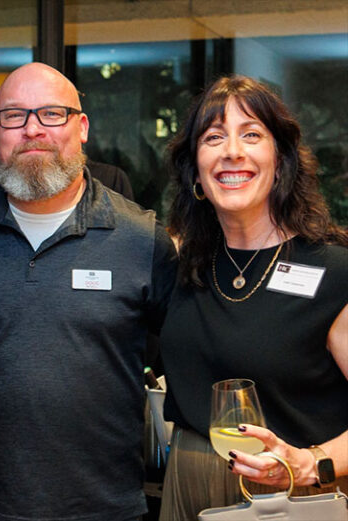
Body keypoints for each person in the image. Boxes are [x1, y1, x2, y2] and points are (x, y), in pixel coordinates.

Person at [0, 62, 175, 521]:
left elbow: (187, 359)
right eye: (15, 115)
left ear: (82, 127)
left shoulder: (141, 239)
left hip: (109, 508)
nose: (33, 130)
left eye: (52, 114)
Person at [159, 75, 348, 520]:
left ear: (280, 162)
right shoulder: (182, 264)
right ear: (196, 173)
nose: (232, 152)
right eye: (213, 137)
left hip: (288, 498)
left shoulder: (335, 273)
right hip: (186, 489)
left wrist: (308, 465)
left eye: (251, 135)